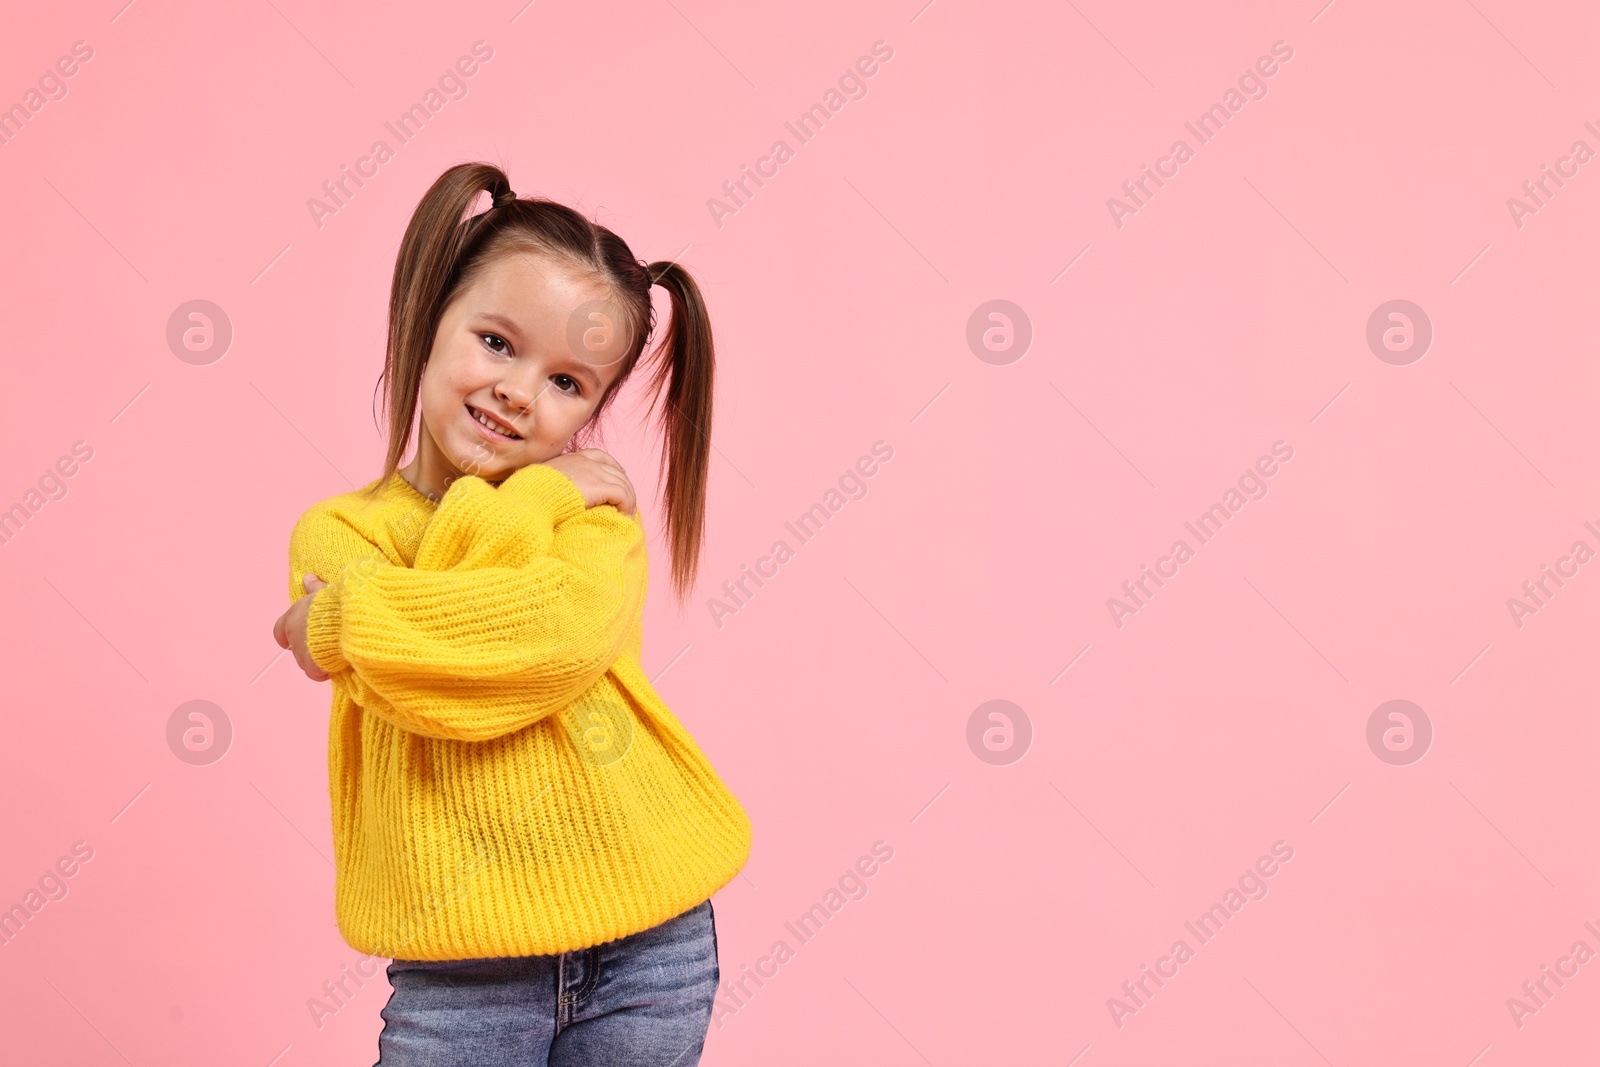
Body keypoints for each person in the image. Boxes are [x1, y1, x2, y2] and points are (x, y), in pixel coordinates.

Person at [271, 161, 751, 1066]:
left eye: (568, 383)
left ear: (593, 416)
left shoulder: (592, 515)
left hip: (649, 939)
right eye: (496, 342)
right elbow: (436, 687)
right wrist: (520, 513)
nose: (521, 391)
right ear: (431, 319)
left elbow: (538, 648)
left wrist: (340, 628)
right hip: (462, 973)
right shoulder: (340, 531)